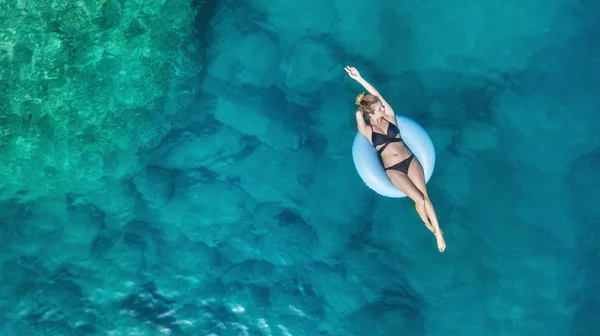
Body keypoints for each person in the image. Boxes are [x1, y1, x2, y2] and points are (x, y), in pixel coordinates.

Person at [345, 66, 446, 253]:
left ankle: (438, 233)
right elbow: (359, 114)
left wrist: (358, 78)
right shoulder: (367, 131)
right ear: (371, 114)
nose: (383, 108)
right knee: (419, 201)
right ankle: (427, 224)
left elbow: (376, 94)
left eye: (382, 107)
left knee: (426, 198)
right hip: (394, 170)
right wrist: (363, 106)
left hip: (410, 160)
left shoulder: (390, 117)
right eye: (379, 108)